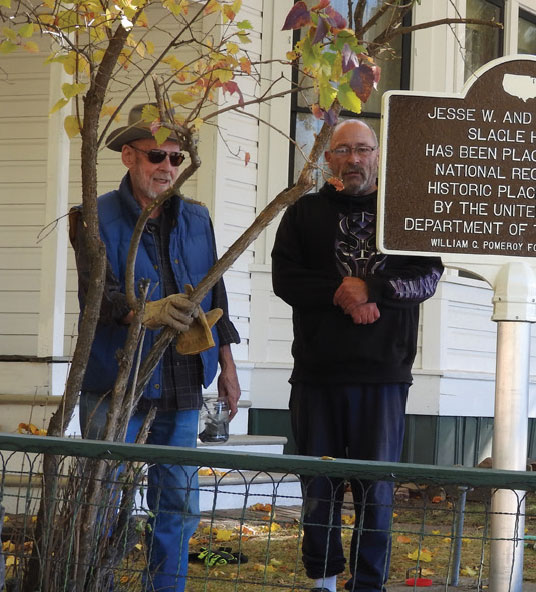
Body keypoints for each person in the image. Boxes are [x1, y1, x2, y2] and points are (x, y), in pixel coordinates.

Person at [72, 103, 242, 592]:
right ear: (128, 156)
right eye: (156, 157)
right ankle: (93, 585)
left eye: (175, 158)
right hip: (116, 379)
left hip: (185, 380)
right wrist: (140, 310)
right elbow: (93, 297)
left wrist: (227, 366)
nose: (167, 168)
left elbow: (217, 296)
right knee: (104, 504)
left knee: (179, 505)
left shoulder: (197, 217)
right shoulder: (92, 216)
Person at [271, 119, 443, 592]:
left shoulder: (406, 213)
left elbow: (427, 277)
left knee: (377, 490)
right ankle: (323, 580)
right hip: (317, 375)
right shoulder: (303, 215)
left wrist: (372, 288)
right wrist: (341, 291)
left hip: (384, 376)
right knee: (318, 486)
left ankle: (369, 583)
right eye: (343, 150)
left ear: (377, 155)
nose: (353, 159)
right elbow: (284, 279)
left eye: (363, 149)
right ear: (328, 158)